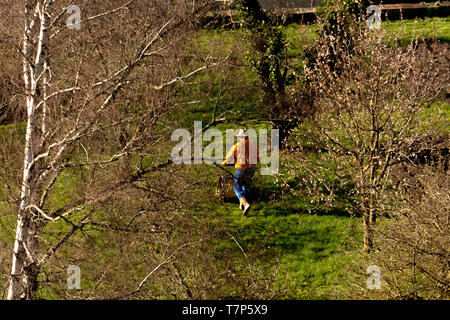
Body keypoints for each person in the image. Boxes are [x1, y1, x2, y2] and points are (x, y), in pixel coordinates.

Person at [222, 129, 259, 216]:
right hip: (251, 168)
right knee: (245, 185)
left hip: (241, 168)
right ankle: (242, 204)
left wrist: (224, 163)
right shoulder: (253, 146)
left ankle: (245, 204)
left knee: (236, 186)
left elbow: (228, 158)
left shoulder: (236, 146)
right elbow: (257, 158)